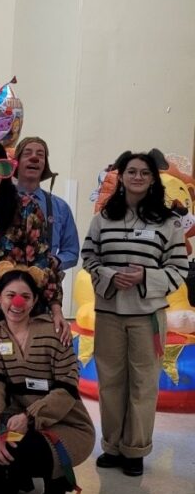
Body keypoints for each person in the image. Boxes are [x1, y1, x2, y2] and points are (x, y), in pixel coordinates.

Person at [82, 151, 187, 477]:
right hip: (110, 312)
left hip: (148, 316)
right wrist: (111, 276)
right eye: (131, 171)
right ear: (121, 176)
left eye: (144, 172)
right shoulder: (102, 219)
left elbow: (179, 268)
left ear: (153, 179)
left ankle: (136, 450)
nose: (138, 177)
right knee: (110, 382)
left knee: (143, 385)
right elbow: (89, 256)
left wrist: (145, 277)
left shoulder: (168, 222)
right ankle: (112, 446)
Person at [0, 265, 94, 494]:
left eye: (25, 296)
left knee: (30, 447)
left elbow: (67, 392)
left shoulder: (55, 332)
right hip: (18, 420)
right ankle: (9, 473)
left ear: (35, 300)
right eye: (10, 295)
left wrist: (30, 416)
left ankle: (56, 478)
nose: (17, 302)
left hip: (64, 424)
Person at [0, 140, 67, 385]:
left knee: (21, 377)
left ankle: (20, 423)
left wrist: (56, 307)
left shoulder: (27, 208)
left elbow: (43, 258)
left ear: (7, 170)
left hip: (19, 311)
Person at [14, 136, 80, 270]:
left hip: (45, 281)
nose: (34, 158)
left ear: (45, 165)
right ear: (17, 162)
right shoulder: (0, 200)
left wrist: (57, 261)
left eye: (40, 154)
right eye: (27, 153)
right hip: (7, 282)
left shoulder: (60, 207)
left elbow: (71, 251)